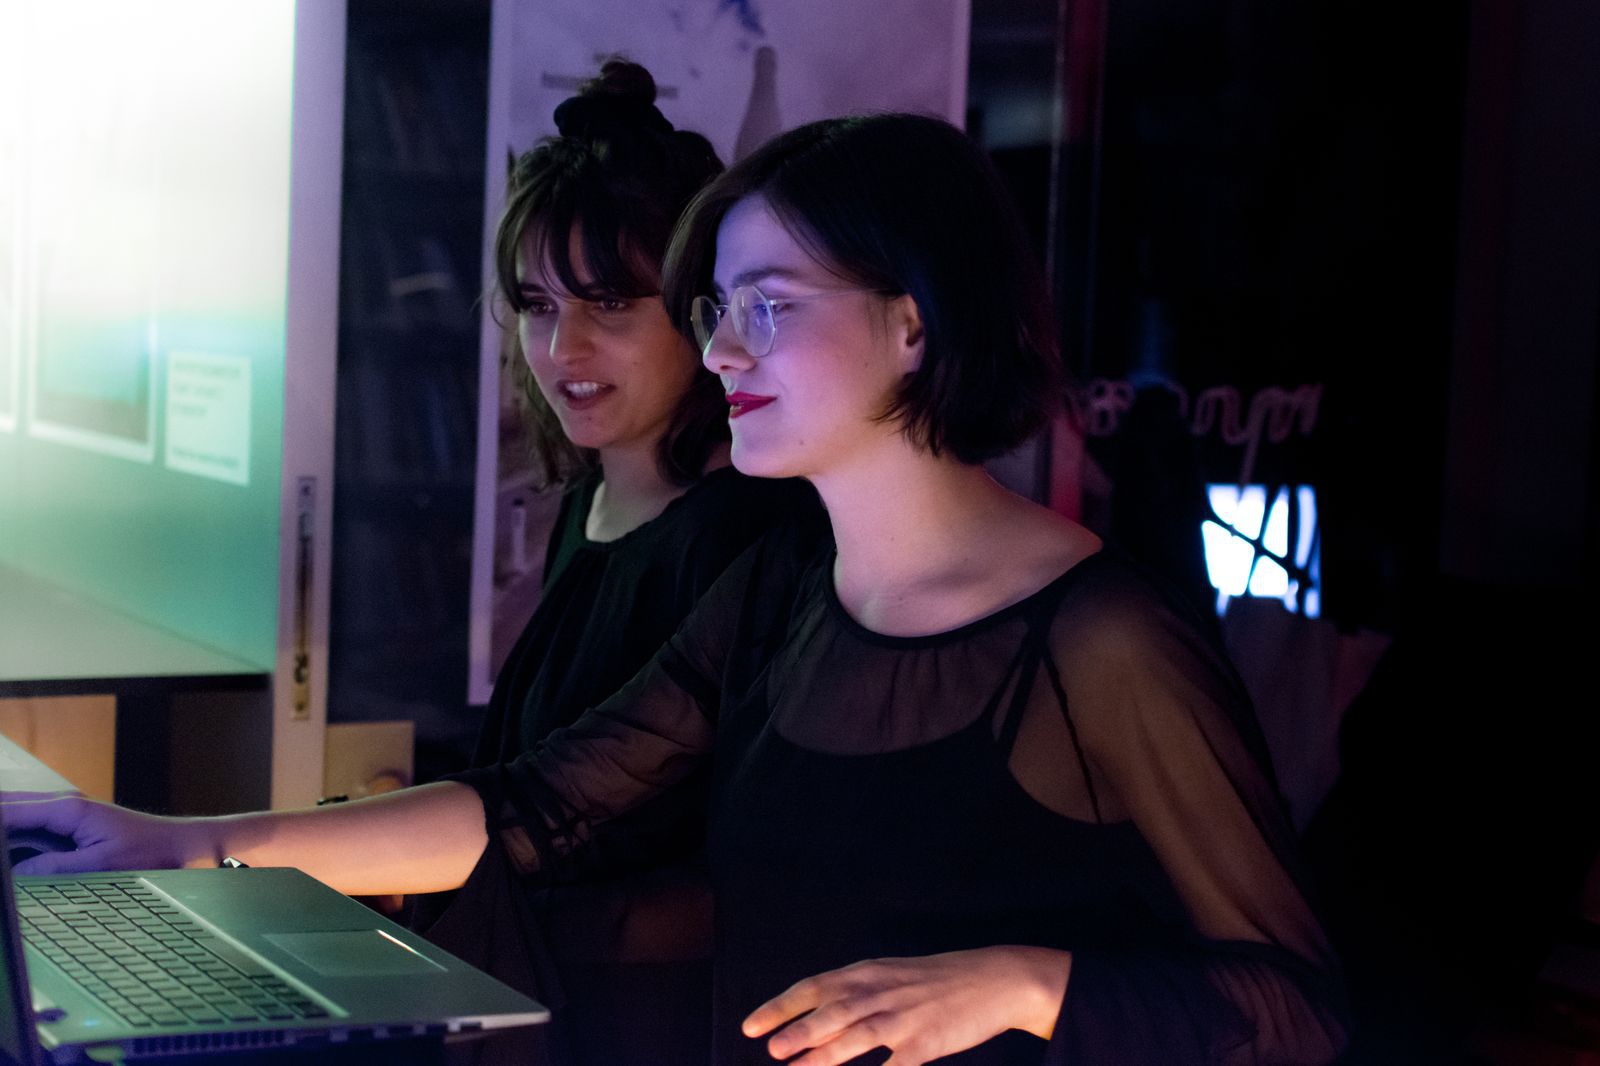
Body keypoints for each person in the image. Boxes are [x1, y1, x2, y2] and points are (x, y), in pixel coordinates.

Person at [7, 112, 1346, 1064]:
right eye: (715, 309)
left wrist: (1025, 981)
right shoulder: (780, 589)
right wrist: (187, 843)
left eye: (768, 305)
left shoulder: (1103, 638)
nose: (719, 352)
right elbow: (540, 807)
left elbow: (1298, 1009)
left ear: (913, 321)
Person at [5, 60, 815, 1066]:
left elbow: (593, 832)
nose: (563, 347)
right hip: (525, 992)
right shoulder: (591, 503)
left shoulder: (747, 537)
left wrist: (244, 854)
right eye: (535, 303)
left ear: (700, 313)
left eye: (610, 303)